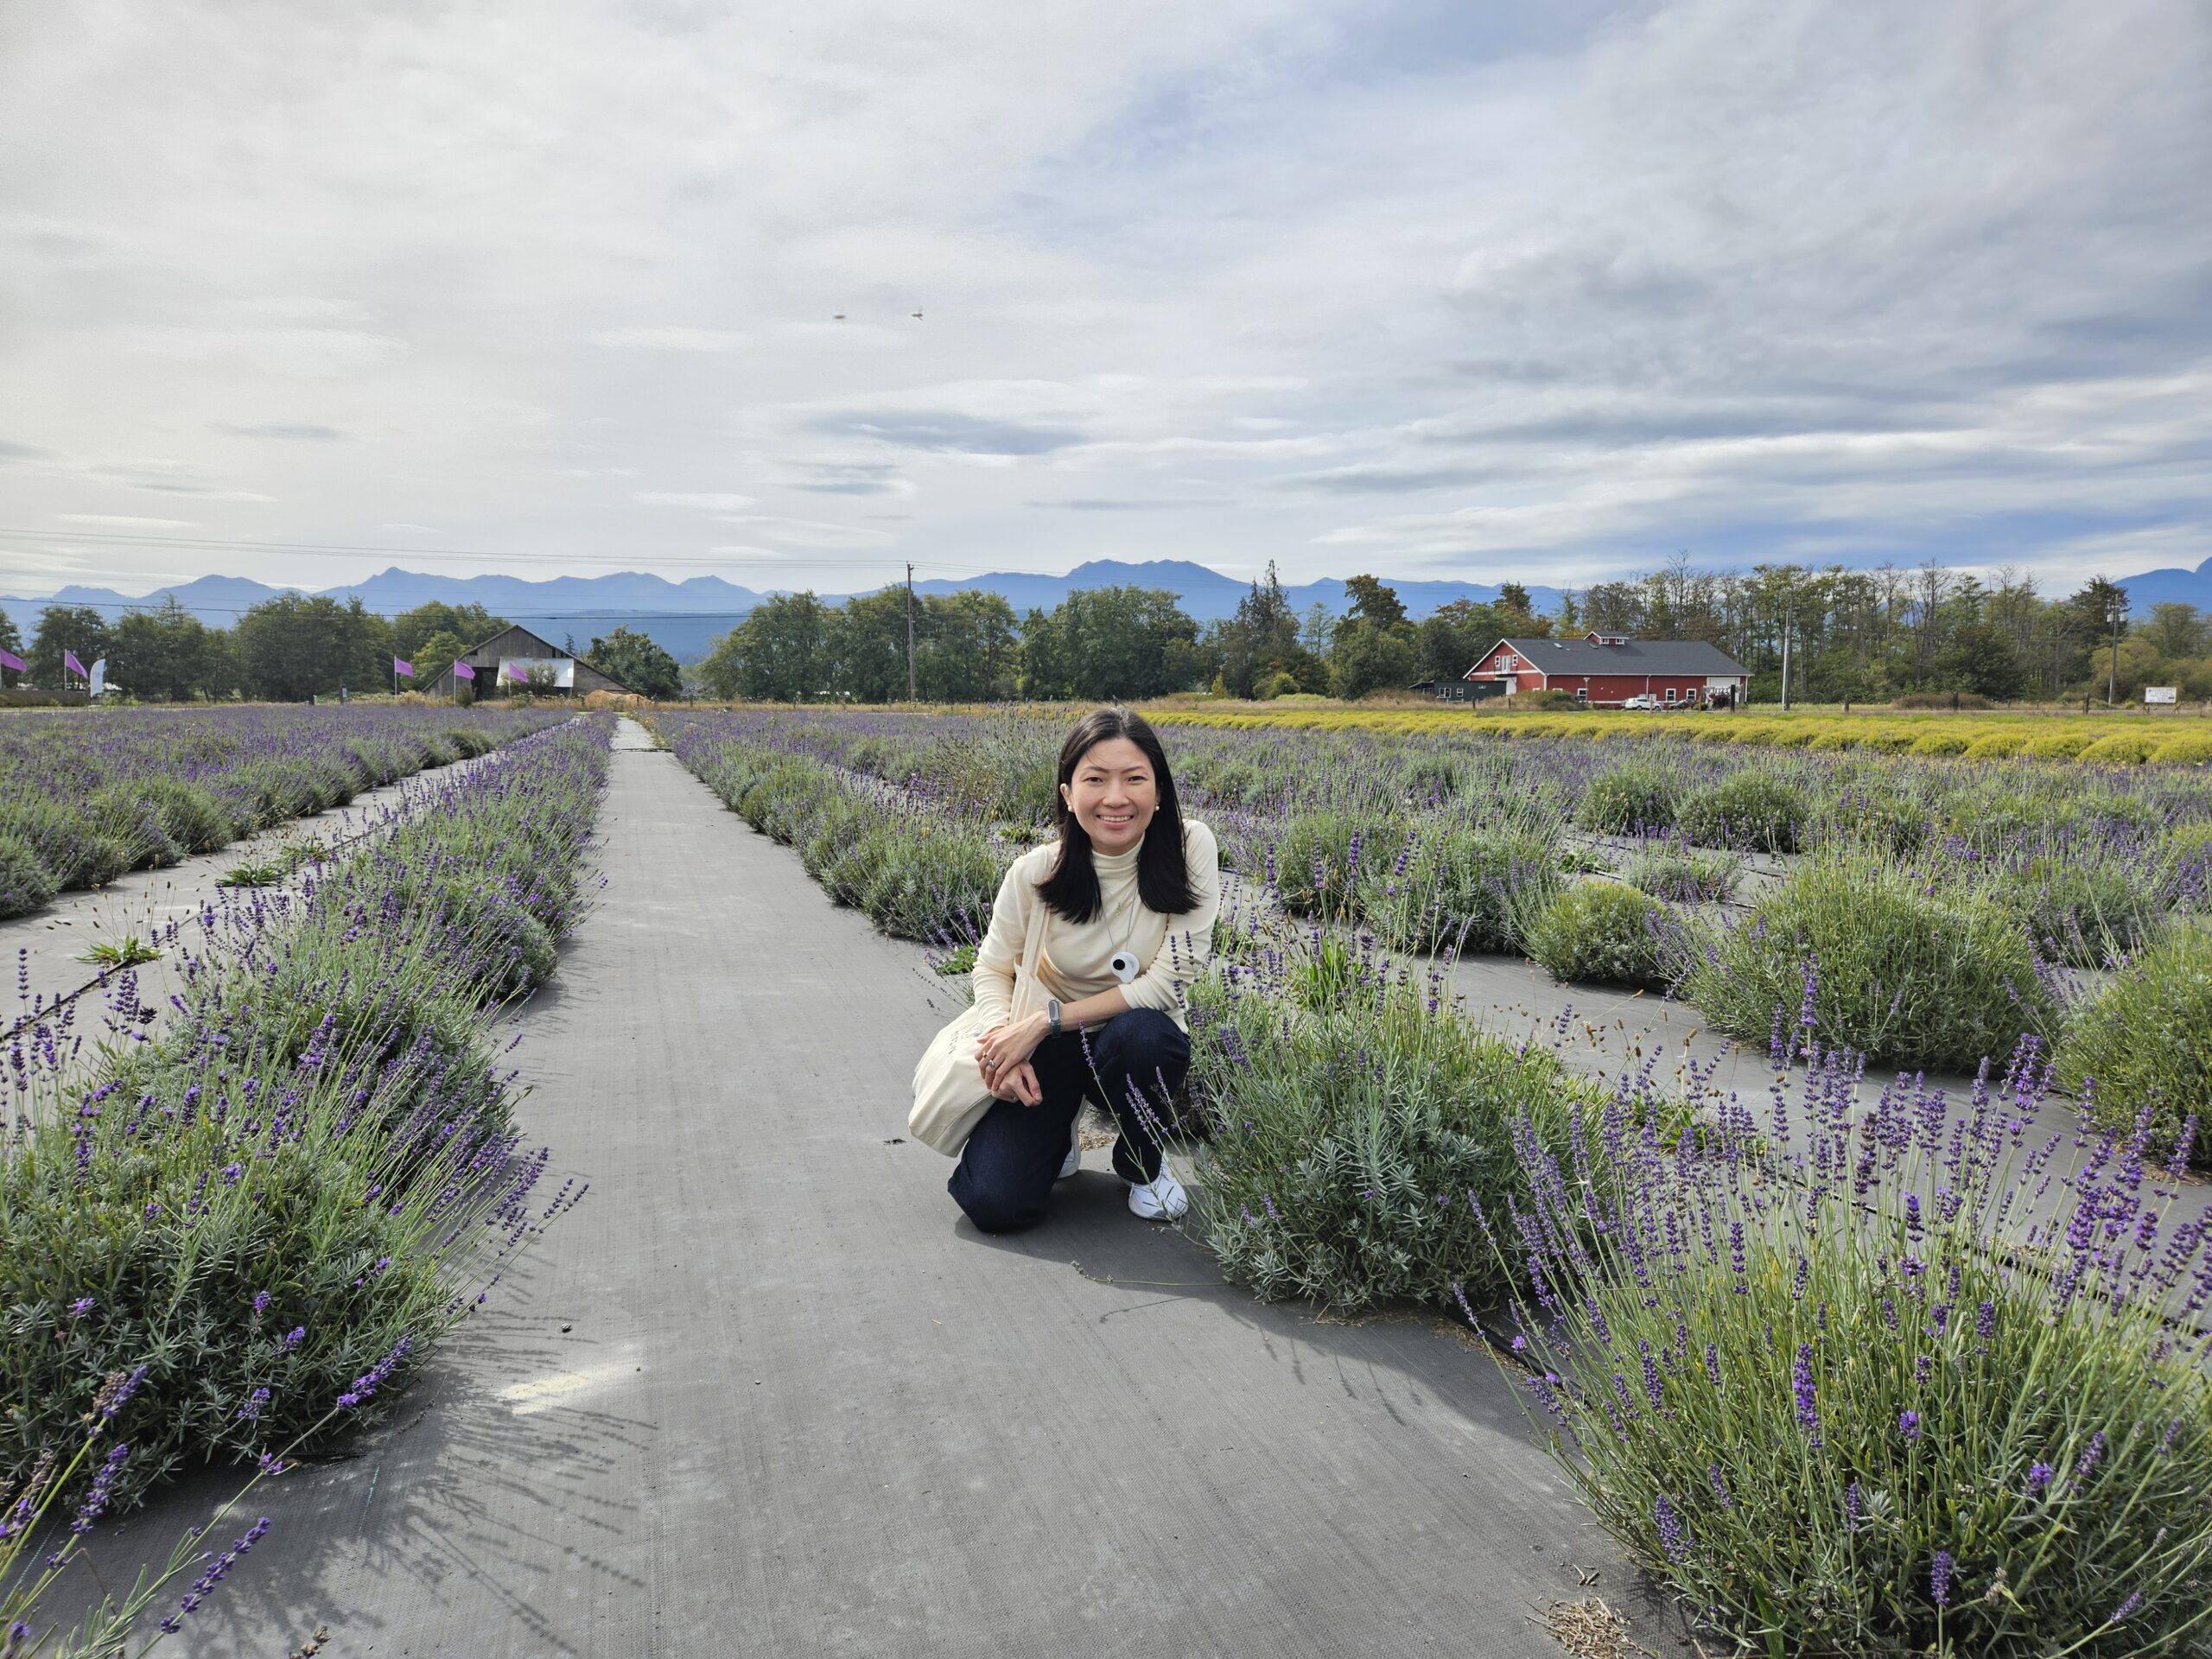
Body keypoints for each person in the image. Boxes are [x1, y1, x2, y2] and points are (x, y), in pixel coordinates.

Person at [947, 708, 1219, 1233]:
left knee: (1147, 1037)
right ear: (1068, 794)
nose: (1115, 798)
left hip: (1128, 1040)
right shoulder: (1035, 873)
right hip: (1046, 1049)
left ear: (1159, 791)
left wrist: (1045, 1020)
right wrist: (1007, 1042)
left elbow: (1167, 982)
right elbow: (990, 969)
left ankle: (1141, 1161)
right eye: (1095, 779)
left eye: (1134, 779)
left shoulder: (1190, 848)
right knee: (995, 1204)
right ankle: (1059, 1122)